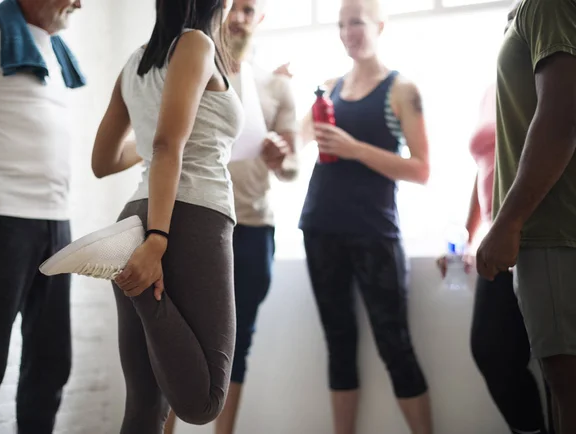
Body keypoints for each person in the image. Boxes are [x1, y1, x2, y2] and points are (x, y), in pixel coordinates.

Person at [87, 0, 243, 431]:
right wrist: (156, 240)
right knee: (204, 402)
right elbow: (166, 146)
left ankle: (132, 276)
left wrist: (160, 133)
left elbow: (103, 160)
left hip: (137, 215)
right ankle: (139, 289)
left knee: (144, 404)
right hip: (188, 218)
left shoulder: (134, 63)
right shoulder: (196, 44)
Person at [163, 1, 298, 433]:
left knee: (237, 344)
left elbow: (293, 168)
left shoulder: (276, 86)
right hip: (198, 221)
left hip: (254, 227)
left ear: (260, 19)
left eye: (249, 9)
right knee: (172, 338)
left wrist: (281, 155)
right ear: (219, 13)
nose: (239, 17)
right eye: (233, 7)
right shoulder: (193, 64)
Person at [298, 0, 432, 433]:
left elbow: (422, 169)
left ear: (379, 25)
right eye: (340, 24)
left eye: (355, 22)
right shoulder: (328, 87)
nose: (346, 32)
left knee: (395, 345)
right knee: (338, 345)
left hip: (375, 234)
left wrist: (352, 148)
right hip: (320, 228)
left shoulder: (401, 89)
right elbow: (290, 148)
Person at [436, 8, 554, 433]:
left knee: (552, 361)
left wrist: (508, 223)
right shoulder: (494, 88)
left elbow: (555, 135)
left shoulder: (548, 67)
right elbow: (488, 162)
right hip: (499, 232)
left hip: (535, 229)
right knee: (491, 350)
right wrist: (468, 233)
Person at [0, 0, 85, 432]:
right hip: (2, 216)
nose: (79, 3)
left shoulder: (56, 50)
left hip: (56, 222)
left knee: (51, 361)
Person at [476, 0, 576, 432]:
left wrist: (509, 222)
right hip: (546, 227)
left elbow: (561, 118)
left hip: (551, 227)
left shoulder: (548, 3)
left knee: (567, 387)